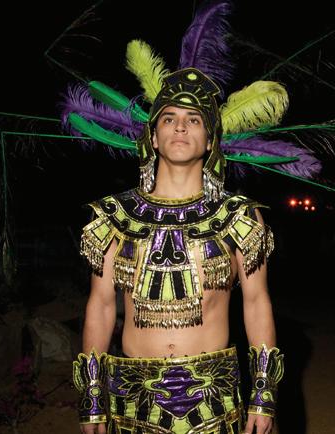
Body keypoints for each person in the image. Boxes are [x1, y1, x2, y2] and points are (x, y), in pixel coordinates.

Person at [73, 67, 283, 434]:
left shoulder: (238, 215)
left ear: (210, 140)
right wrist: (92, 398)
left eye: (194, 120)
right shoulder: (114, 215)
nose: (180, 127)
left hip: (215, 399)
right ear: (154, 137)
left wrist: (263, 395)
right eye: (169, 119)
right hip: (133, 400)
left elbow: (256, 302)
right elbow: (102, 305)